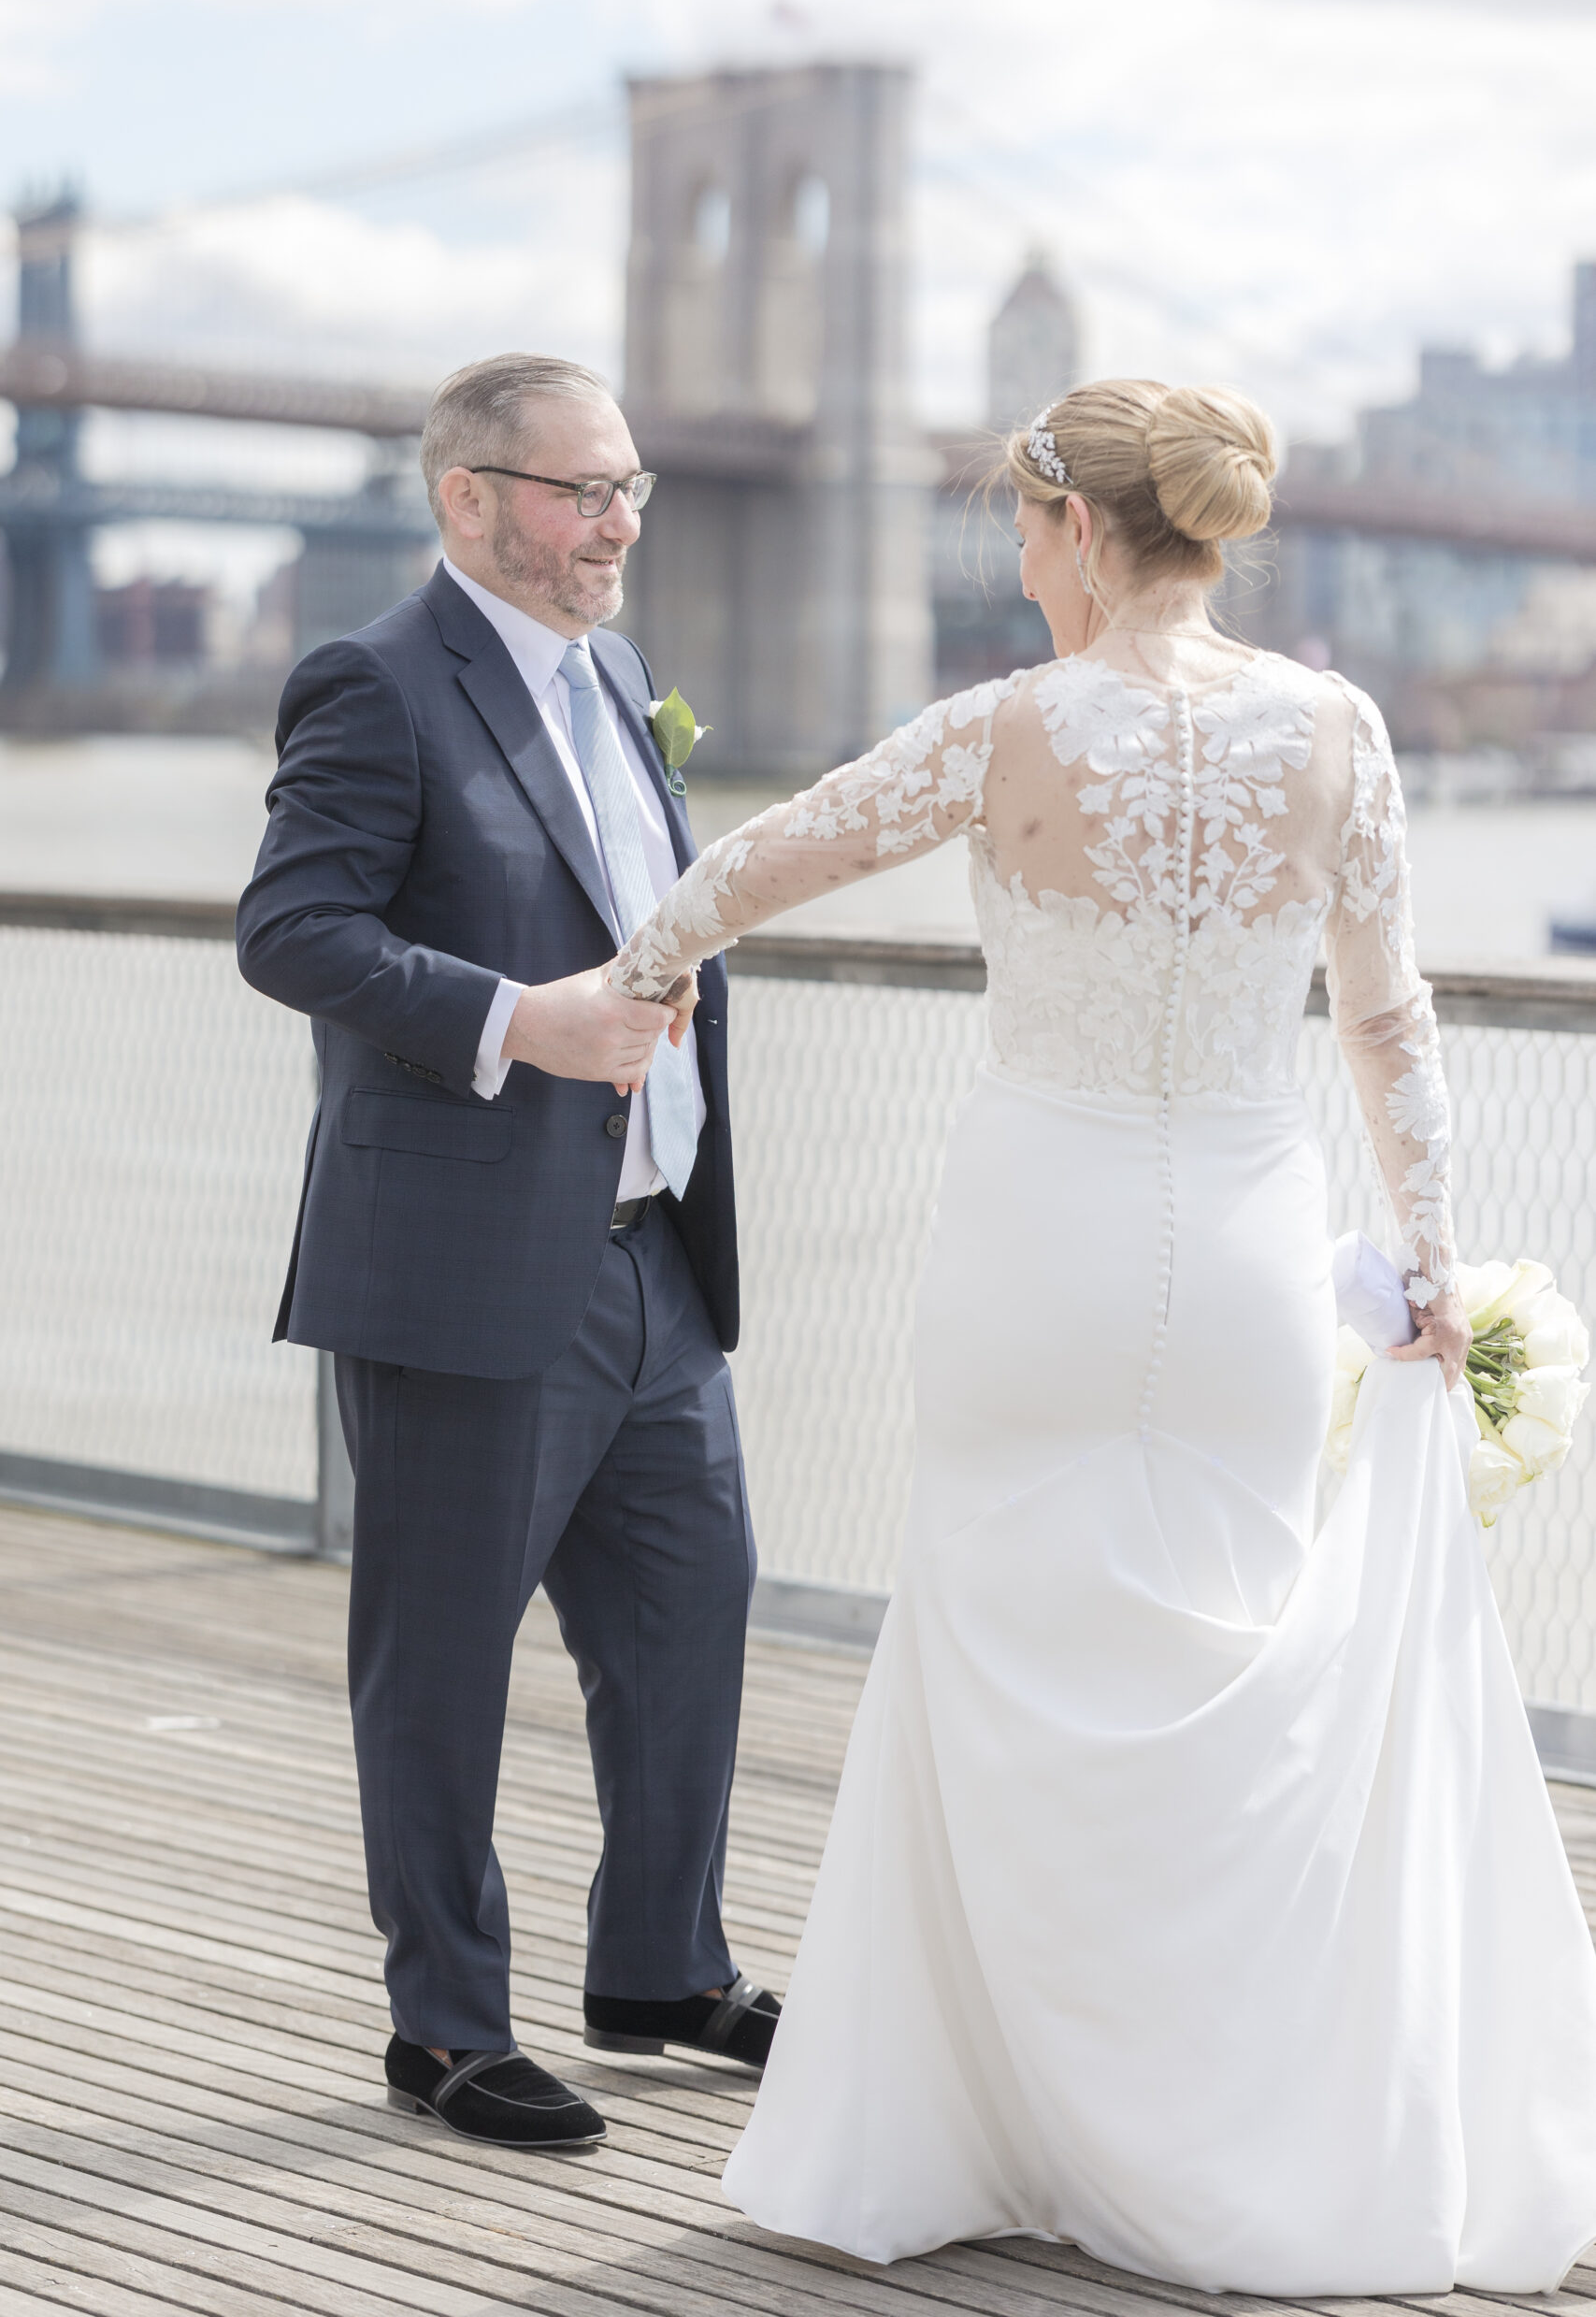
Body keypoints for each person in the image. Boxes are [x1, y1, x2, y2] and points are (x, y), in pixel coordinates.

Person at [602, 379, 1596, 2290]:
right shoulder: (1335, 729)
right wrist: (1424, 1253)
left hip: (1030, 1241)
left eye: (1017, 526)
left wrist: (631, 979)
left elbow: (751, 868)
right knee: (1229, 1661)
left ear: (1065, 526)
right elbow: (1387, 1028)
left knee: (986, 1648)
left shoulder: (1000, 729)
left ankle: (993, 2124)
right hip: (1237, 1244)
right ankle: (1220, 2121)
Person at [235, 353, 778, 2153]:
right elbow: (293, 930)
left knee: (693, 1620)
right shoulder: (375, 683)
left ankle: (659, 1972)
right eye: (584, 491)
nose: (622, 520)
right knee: (443, 1661)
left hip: (654, 1258)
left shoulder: (617, 670)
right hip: (469, 1265)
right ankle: (448, 2029)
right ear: (471, 498)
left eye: (632, 487)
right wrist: (513, 1021)